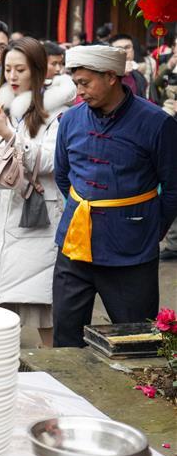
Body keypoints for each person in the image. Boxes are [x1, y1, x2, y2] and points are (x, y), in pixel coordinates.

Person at [52, 45, 177, 347]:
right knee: (66, 335)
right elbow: (62, 175)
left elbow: (172, 188)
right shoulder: (70, 120)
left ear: (111, 77)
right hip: (75, 244)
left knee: (137, 340)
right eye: (76, 83)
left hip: (131, 249)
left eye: (85, 83)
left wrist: (147, 227)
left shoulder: (156, 123)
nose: (79, 92)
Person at [0, 38, 76, 347]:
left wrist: (8, 134)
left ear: (38, 72)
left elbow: (50, 161)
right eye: (8, 70)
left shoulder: (58, 114)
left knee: (45, 318)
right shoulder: (4, 107)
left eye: (20, 69)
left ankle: (59, 381)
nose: (13, 76)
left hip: (34, 225)